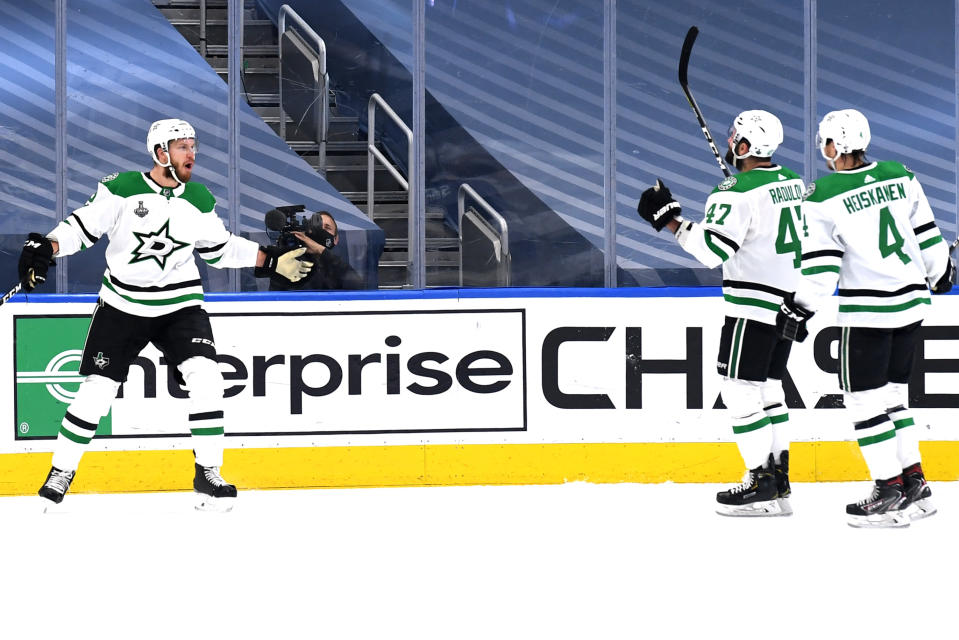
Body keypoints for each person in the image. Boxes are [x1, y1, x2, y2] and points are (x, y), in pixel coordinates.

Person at [17, 118, 313, 510]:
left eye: (193, 145)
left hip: (180, 304)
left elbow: (220, 248)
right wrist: (47, 246)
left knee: (207, 377)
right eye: (183, 146)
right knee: (96, 391)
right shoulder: (122, 188)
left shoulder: (199, 198)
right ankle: (61, 471)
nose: (192, 153)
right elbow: (80, 228)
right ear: (161, 152)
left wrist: (271, 261)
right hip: (123, 305)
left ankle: (208, 472)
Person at [775, 109, 953, 528]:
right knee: (892, 398)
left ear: (835, 145)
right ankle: (915, 486)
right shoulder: (900, 175)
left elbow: (821, 270)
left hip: (870, 314)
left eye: (825, 142)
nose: (824, 149)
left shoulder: (821, 195)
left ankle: (888, 491)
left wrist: (798, 307)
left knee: (863, 401)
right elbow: (928, 237)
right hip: (911, 308)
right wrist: (940, 271)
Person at [637, 110, 804, 517]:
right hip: (788, 306)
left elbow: (713, 251)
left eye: (736, 138)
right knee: (768, 389)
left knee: (738, 389)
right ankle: (778, 481)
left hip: (752, 306)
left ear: (745, 146)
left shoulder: (734, 192)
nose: (730, 143)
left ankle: (760, 481)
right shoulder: (795, 184)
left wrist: (671, 220)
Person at [267, 210, 363, 291]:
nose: (321, 232)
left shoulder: (339, 266)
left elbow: (357, 287)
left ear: (336, 239)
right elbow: (276, 297)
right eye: (316, 228)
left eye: (327, 227)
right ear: (308, 233)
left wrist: (320, 250)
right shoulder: (294, 265)